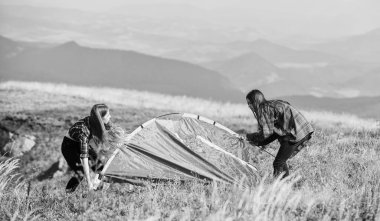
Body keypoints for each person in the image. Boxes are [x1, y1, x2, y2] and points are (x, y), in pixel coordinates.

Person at [244, 89, 314, 178]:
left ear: (256, 101)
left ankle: (278, 187)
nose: (249, 106)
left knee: (278, 163)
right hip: (302, 130)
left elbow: (266, 133)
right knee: (281, 162)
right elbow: (273, 133)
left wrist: (249, 137)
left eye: (250, 103)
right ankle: (286, 185)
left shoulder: (264, 109)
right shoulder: (271, 105)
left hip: (296, 133)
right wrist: (258, 142)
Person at [61, 103, 112, 193]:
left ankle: (97, 195)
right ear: (101, 118)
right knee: (80, 173)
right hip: (69, 146)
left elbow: (112, 131)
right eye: (108, 115)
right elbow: (84, 158)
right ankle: (68, 194)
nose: (110, 116)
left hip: (81, 142)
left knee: (101, 168)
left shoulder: (97, 122)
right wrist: (89, 184)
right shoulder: (83, 131)